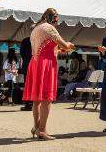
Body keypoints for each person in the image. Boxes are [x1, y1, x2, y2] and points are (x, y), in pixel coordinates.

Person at [23, 8, 75, 141]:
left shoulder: (36, 28)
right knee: (46, 99)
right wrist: (69, 45)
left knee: (37, 99)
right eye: (57, 21)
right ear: (54, 18)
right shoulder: (49, 28)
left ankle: (36, 127)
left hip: (35, 63)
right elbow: (64, 44)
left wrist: (60, 50)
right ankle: (43, 130)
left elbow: (49, 48)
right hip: (46, 64)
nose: (57, 24)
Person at [20, 37, 32, 111]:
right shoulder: (40, 39)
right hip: (36, 64)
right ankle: (35, 103)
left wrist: (26, 59)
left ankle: (28, 104)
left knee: (27, 85)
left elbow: (22, 53)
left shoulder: (25, 40)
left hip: (27, 64)